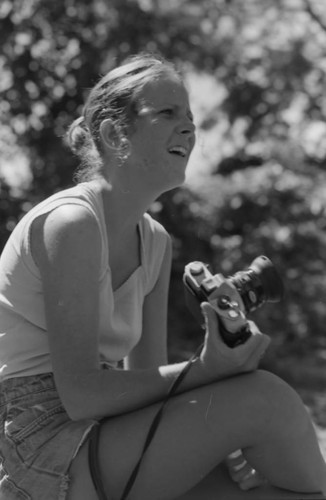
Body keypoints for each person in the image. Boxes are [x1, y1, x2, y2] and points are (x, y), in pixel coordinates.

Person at [0, 52, 325, 500]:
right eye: (168, 114)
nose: (190, 128)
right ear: (116, 135)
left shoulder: (155, 241)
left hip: (107, 432)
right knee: (265, 400)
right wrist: (206, 371)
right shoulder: (71, 224)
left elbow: (149, 380)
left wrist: (209, 433)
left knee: (270, 491)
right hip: (43, 443)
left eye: (191, 117)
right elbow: (80, 395)